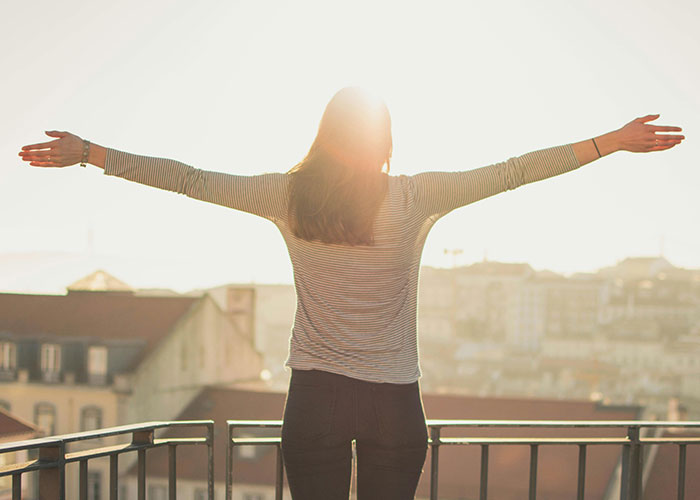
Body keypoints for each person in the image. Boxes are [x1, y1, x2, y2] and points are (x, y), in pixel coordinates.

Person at [19, 87, 684, 499]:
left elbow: (189, 179)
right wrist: (610, 144)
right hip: (395, 405)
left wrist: (91, 153)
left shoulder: (286, 195)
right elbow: (511, 173)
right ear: (385, 139)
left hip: (315, 400)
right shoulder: (416, 195)